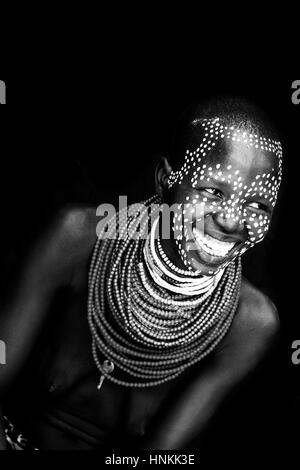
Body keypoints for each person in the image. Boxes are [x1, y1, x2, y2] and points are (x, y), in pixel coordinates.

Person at [0, 96, 282, 450]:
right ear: (165, 179)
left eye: (256, 205)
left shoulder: (249, 322)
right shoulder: (79, 239)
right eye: (212, 191)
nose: (230, 219)